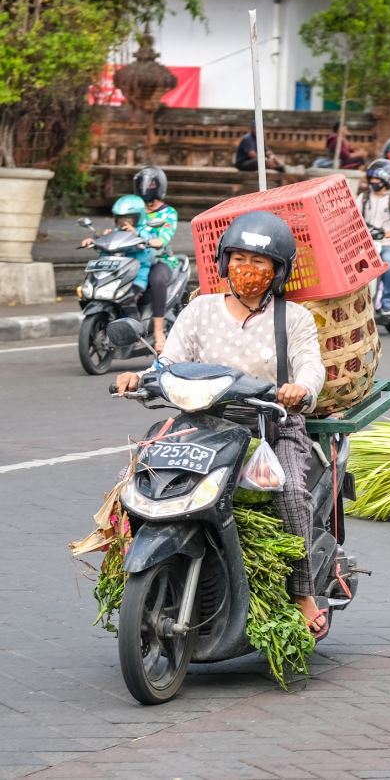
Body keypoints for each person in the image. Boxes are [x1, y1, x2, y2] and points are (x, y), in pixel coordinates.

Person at [115, 211, 328, 637]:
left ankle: (303, 591)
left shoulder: (295, 318)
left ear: (277, 271)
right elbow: (169, 361)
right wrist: (140, 377)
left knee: (289, 492)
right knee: (139, 478)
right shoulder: (200, 310)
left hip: (270, 424)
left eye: (258, 262)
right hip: (203, 421)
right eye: (238, 259)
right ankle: (140, 567)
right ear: (223, 261)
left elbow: (311, 368)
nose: (246, 270)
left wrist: (299, 390)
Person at [133, 166, 180, 353]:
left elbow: (165, 236)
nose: (146, 188)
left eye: (151, 184)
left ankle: (159, 333)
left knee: (157, 280)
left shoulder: (169, 213)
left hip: (161, 259)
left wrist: (157, 240)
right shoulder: (135, 210)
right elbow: (122, 225)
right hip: (135, 257)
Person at [356, 159, 390, 312]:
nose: (373, 182)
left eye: (377, 180)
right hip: (366, 242)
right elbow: (352, 215)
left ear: (387, 180)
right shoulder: (364, 198)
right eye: (371, 180)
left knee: (386, 264)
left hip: (387, 243)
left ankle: (387, 301)